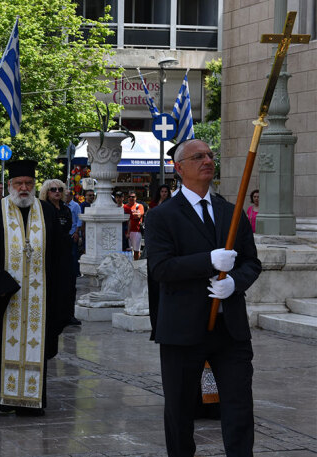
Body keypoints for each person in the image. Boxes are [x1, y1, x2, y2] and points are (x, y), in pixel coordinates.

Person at [144, 139, 262, 456]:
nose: (208, 160)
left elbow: (252, 262)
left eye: (210, 155)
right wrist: (208, 261)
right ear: (179, 168)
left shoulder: (230, 211)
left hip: (230, 330)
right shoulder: (162, 217)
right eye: (198, 157)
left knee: (238, 410)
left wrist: (234, 283)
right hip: (183, 331)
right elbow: (161, 268)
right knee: (181, 413)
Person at [0, 160, 65, 416]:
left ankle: (30, 400)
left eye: (29, 183)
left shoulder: (47, 212)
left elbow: (59, 257)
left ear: (34, 186)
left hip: (38, 300)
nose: (24, 188)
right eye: (19, 183)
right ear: (9, 185)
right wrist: (0, 285)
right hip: (2, 299)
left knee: (36, 345)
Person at [40, 180, 76, 328]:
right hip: (50, 250)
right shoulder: (44, 209)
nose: (57, 192)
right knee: (53, 284)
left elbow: (68, 227)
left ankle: (68, 315)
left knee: (69, 283)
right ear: (47, 192)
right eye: (53, 189)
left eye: (60, 189)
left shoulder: (65, 209)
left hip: (66, 249)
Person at [124, 191, 146, 260]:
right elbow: (135, 215)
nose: (131, 198)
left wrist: (129, 215)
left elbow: (139, 215)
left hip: (137, 231)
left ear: (136, 198)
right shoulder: (124, 206)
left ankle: (137, 265)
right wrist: (134, 214)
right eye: (129, 197)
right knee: (127, 251)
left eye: (133, 197)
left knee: (137, 251)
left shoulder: (139, 206)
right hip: (126, 231)